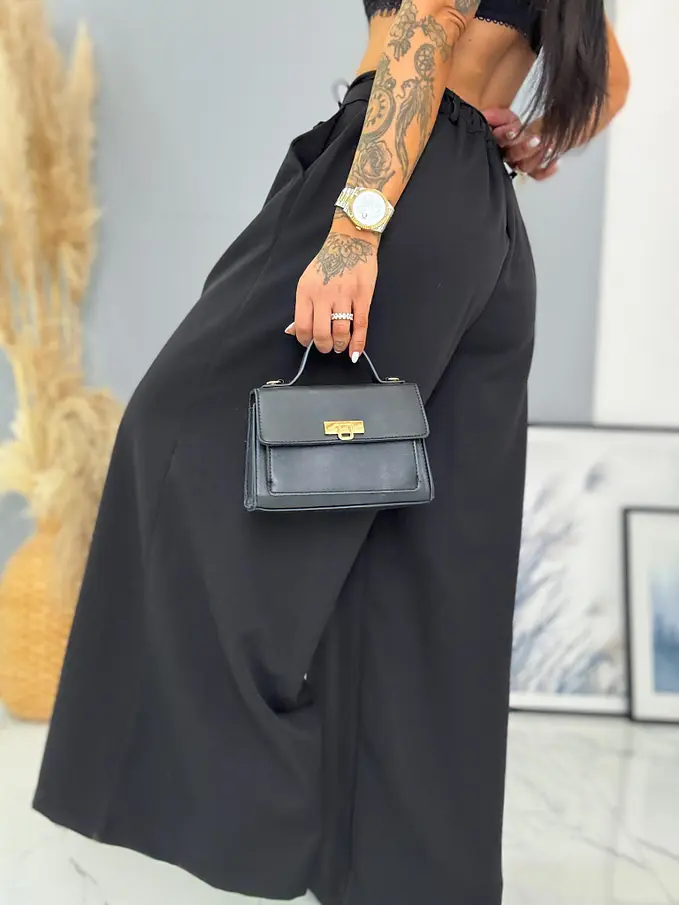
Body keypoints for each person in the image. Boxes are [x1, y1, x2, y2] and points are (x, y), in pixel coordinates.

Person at [33, 2, 629, 904]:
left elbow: (425, 21)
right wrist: (533, 138)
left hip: (393, 176)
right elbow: (608, 75)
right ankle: (415, 881)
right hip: (483, 224)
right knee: (424, 569)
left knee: (172, 438)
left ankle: (260, 811)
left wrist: (353, 232)